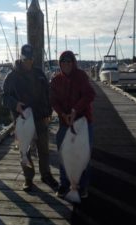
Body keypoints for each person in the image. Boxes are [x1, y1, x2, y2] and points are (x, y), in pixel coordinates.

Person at [2, 44, 58, 192]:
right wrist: (15, 105)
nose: (28, 61)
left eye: (30, 59)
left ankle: (46, 175)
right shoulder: (12, 76)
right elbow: (5, 97)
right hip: (22, 119)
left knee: (44, 149)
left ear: (33, 58)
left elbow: (48, 95)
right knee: (24, 151)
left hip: (40, 117)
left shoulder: (39, 73)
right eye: (25, 58)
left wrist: (49, 112)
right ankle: (28, 178)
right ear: (21, 57)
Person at [50, 50, 95, 199]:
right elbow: (53, 100)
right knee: (64, 154)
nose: (66, 64)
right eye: (63, 61)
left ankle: (81, 187)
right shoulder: (56, 80)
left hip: (82, 121)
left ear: (73, 62)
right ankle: (64, 184)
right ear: (60, 64)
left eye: (69, 61)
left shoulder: (81, 76)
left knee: (84, 156)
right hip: (65, 122)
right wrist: (63, 114)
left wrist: (75, 110)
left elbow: (90, 94)